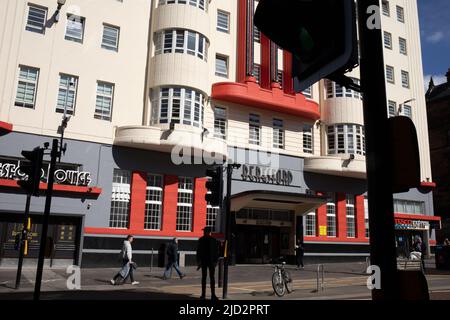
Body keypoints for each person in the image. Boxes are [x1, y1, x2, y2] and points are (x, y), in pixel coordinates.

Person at [196, 227, 220, 300]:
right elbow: (198, 251)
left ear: (208, 232)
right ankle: (203, 294)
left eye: (205, 231)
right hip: (204, 261)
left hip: (211, 261)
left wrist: (216, 261)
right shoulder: (201, 240)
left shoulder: (213, 240)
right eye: (204, 231)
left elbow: (216, 252)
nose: (204, 232)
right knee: (204, 278)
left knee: (211, 278)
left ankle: (213, 294)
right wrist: (198, 261)